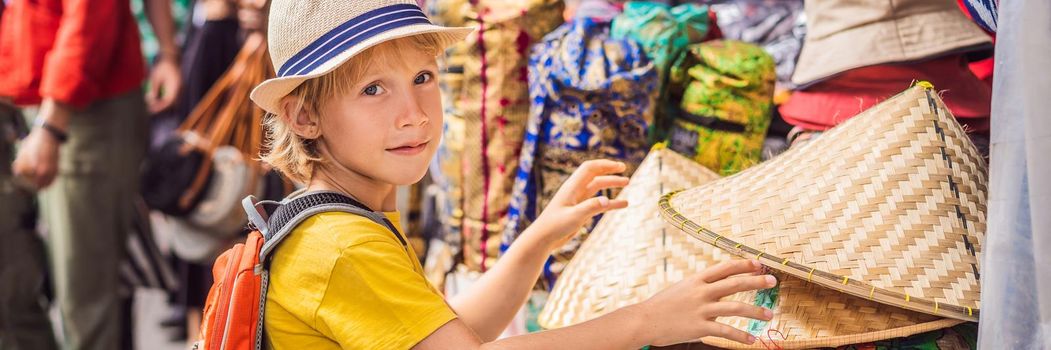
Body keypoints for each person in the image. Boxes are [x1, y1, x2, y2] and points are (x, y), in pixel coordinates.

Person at [248, 1, 775, 348]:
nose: (414, 113)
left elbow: (456, 332)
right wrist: (646, 320)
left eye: (423, 77)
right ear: (303, 116)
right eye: (372, 89)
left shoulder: (342, 220)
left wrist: (539, 237)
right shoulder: (343, 246)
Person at [0, 0, 181, 348]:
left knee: (85, 299)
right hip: (36, 96)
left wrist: (52, 125)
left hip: (81, 108)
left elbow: (89, 20)